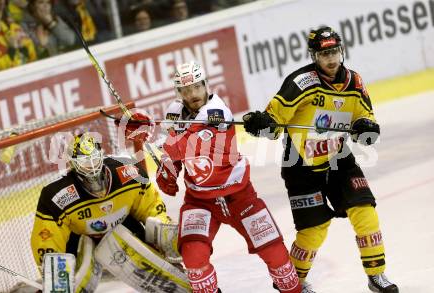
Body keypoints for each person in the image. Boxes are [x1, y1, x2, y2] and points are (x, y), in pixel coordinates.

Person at [242, 26, 399, 293]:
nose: (331, 58)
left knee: (366, 214)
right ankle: (293, 282)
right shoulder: (300, 82)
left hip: (339, 158)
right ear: (314, 56)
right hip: (300, 164)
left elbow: (366, 120)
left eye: (335, 51)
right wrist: (262, 125)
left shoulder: (355, 82)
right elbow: (275, 123)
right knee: (314, 230)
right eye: (324, 53)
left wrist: (368, 128)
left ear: (342, 50)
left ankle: (377, 275)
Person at [155, 61, 302, 293]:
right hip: (200, 200)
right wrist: (168, 172)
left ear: (205, 84)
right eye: (185, 90)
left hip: (239, 197)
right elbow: (174, 154)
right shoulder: (175, 113)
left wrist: (149, 137)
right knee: (193, 257)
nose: (192, 94)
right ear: (178, 93)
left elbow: (182, 146)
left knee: (275, 253)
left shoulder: (217, 113)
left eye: (196, 87)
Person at [30, 128, 183, 292]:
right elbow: (46, 239)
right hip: (81, 238)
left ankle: (171, 266)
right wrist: (54, 277)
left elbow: (152, 208)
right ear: (73, 164)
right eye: (84, 161)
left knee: (162, 231)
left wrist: (163, 234)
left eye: (94, 159)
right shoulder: (56, 196)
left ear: (101, 155)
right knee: (58, 276)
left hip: (124, 228)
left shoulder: (130, 172)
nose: (91, 166)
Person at [0, 2, 37, 72]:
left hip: (28, 71)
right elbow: (1, 67)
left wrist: (21, 48)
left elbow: (31, 53)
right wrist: (12, 48)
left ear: (0, 14)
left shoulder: (14, 28)